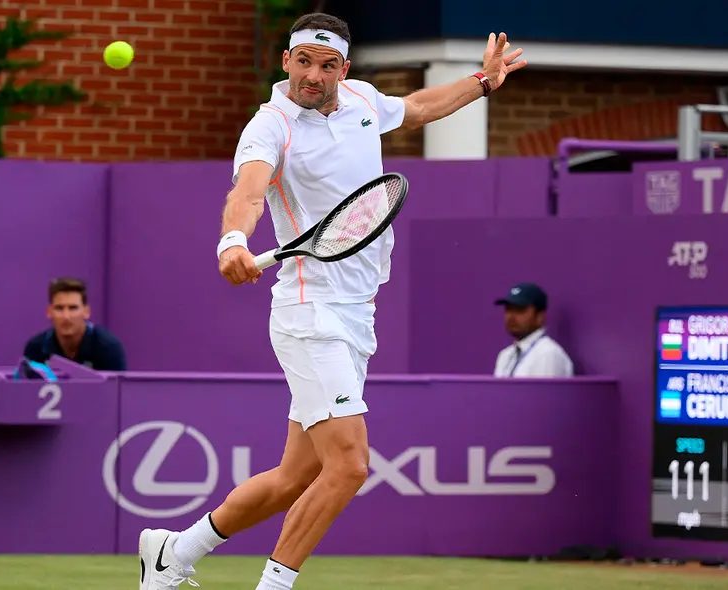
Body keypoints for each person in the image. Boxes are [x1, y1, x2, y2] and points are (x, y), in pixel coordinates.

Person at [137, 12, 527, 590]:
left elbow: (417, 108)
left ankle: (174, 551)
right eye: (303, 61)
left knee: (298, 475)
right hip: (309, 310)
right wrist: (232, 240)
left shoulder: (363, 100)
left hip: (355, 311)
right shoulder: (269, 126)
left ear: (343, 68)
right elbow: (247, 190)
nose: (313, 75)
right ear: (287, 61)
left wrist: (484, 82)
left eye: (327, 65)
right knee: (349, 466)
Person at [22, 278, 127, 371]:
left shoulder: (108, 348)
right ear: (49, 312)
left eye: (73, 308)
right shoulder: (36, 347)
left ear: (86, 312)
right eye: (59, 308)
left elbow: (115, 392)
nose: (66, 316)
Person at [492, 282, 574, 378]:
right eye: (508, 309)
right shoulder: (505, 355)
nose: (511, 317)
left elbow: (545, 393)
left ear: (540, 316)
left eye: (519, 310)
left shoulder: (548, 354)